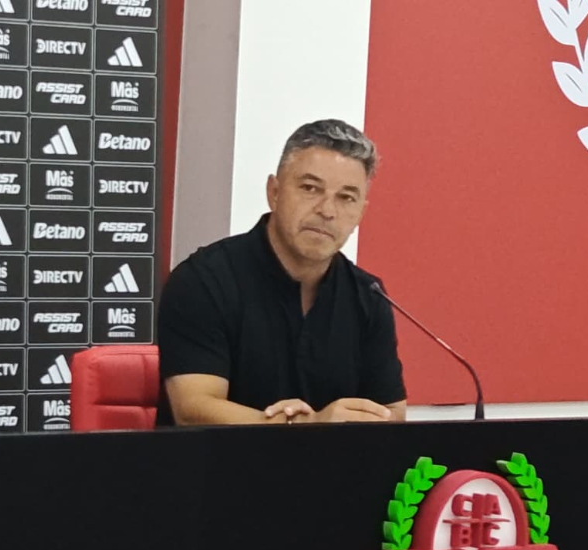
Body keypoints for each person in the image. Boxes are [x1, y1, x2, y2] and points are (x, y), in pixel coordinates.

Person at [157, 119, 407, 425]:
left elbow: (393, 413)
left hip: (336, 459)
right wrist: (306, 429)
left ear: (361, 213)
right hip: (218, 457)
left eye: (346, 197)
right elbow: (193, 410)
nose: (327, 211)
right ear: (274, 192)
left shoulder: (368, 296)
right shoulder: (203, 281)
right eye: (310, 189)